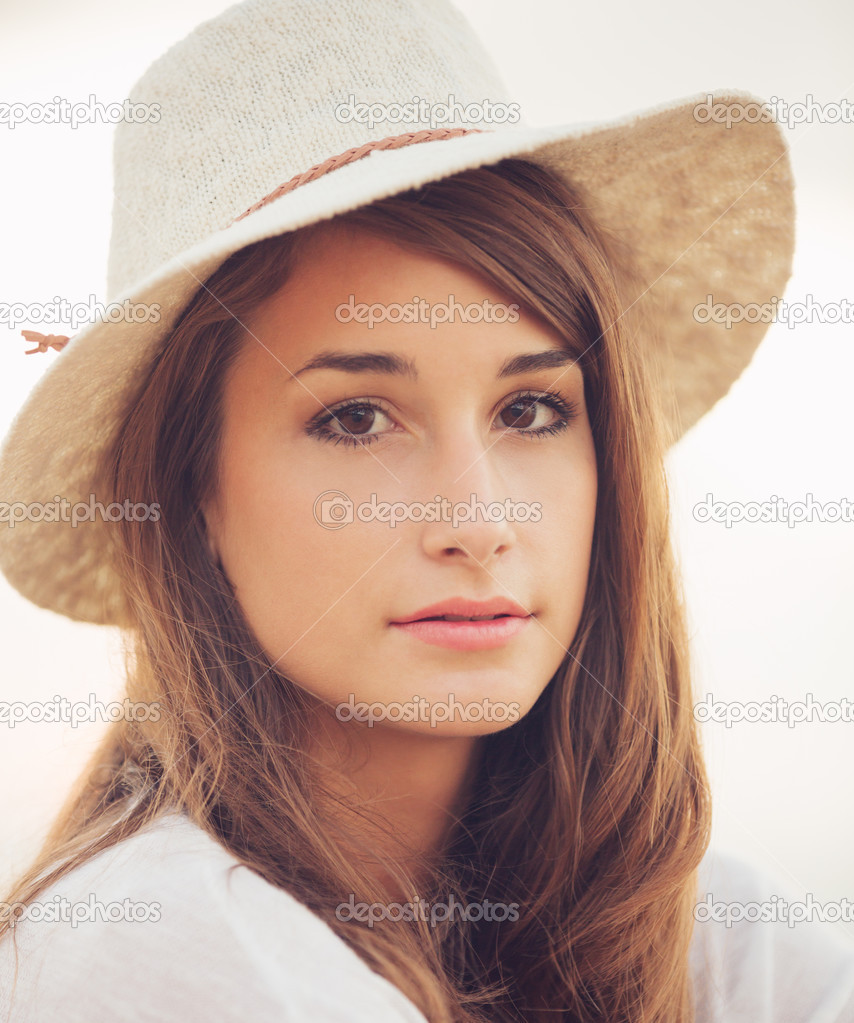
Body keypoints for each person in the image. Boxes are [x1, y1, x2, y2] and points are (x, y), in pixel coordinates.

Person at [0, 0, 851, 1020]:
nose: (477, 520)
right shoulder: (154, 940)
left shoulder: (718, 932)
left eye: (531, 409)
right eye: (356, 419)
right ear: (195, 500)